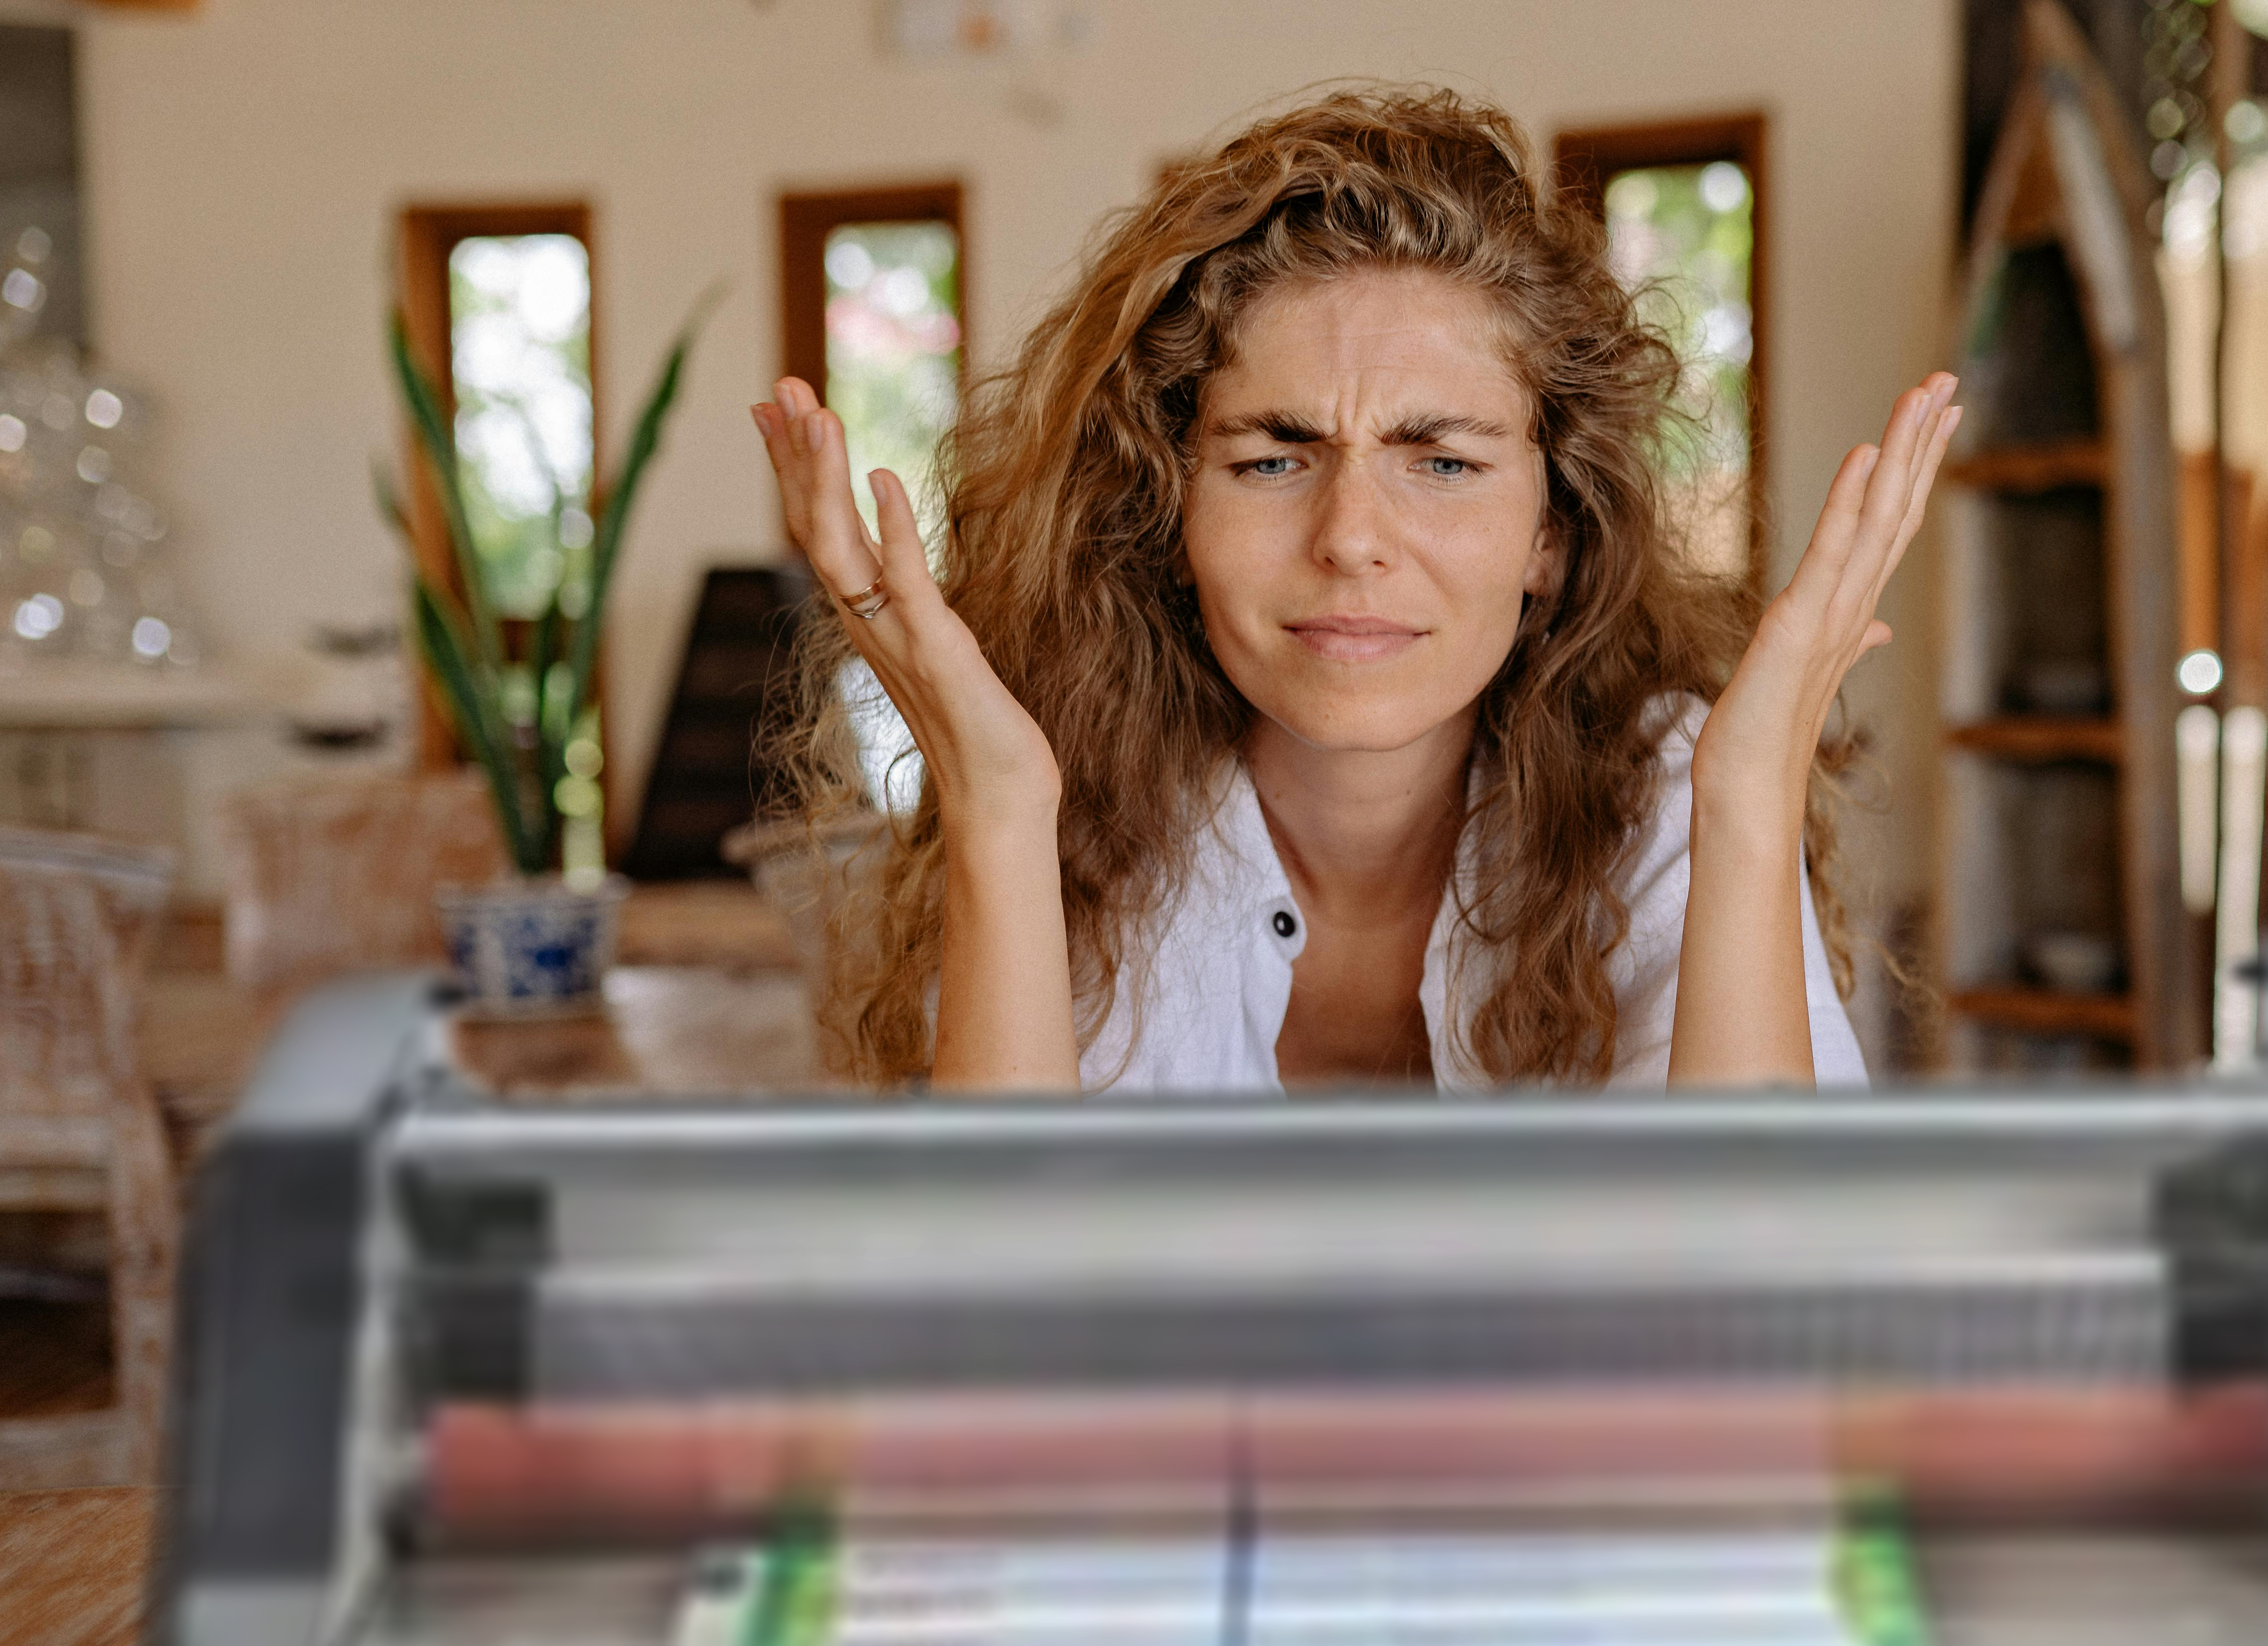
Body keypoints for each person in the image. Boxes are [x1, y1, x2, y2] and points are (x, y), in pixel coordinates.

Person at [756, 87, 1956, 1095]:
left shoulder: (1661, 794)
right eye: (1273, 459)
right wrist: (1001, 813)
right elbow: (999, 1346)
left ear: (1552, 531)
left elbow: (1751, 1339)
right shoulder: (1076, 803)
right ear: (1168, 512)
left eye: (1442, 461)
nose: (1352, 540)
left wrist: (1750, 799)